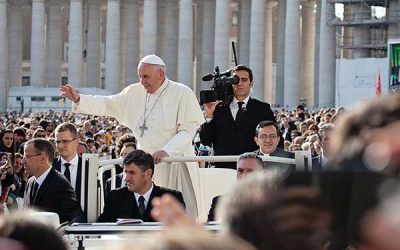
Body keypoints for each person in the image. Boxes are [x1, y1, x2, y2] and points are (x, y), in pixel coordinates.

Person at [60, 55, 204, 217]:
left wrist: (167, 151)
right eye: (140, 76)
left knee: (178, 213)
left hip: (175, 163)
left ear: (161, 74)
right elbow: (108, 104)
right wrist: (79, 99)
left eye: (146, 77)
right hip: (146, 165)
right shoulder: (134, 92)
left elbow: (187, 131)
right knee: (147, 213)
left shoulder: (182, 93)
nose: (142, 81)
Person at [199, 64, 275, 169]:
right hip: (221, 169)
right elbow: (205, 141)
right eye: (235, 80)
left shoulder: (263, 109)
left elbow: (275, 141)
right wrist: (208, 116)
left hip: (252, 170)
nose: (239, 83)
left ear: (251, 83)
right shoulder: (217, 108)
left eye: (244, 80)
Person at [98, 150, 185, 222]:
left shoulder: (172, 199)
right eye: (126, 172)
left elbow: (181, 234)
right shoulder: (114, 197)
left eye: (132, 173)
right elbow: (101, 230)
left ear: (148, 173)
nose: (126, 178)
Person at [23, 138, 85, 223]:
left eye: (27, 157)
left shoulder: (60, 184)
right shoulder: (30, 182)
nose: (22, 161)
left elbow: (75, 215)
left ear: (42, 158)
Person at [207, 152, 263, 221]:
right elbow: (209, 230)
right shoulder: (219, 202)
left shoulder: (273, 203)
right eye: (240, 171)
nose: (244, 176)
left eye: (250, 171)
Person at [52, 122, 83, 201]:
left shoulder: (88, 166)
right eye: (58, 142)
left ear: (76, 142)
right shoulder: (49, 166)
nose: (60, 146)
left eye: (65, 141)